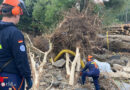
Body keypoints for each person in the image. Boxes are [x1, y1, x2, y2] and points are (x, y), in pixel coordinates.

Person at [0, 0, 32, 90]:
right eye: (20, 12)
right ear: (16, 12)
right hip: (11, 79)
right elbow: (21, 58)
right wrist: (28, 77)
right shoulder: (15, 33)